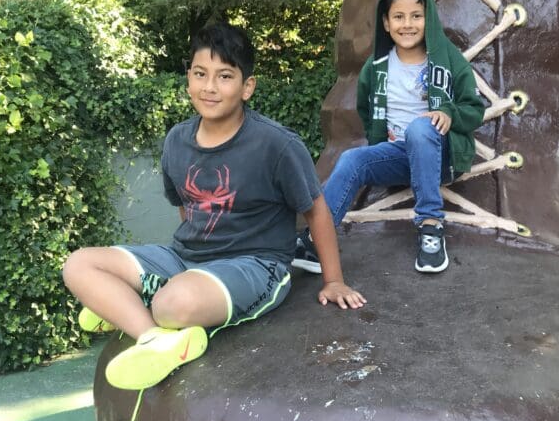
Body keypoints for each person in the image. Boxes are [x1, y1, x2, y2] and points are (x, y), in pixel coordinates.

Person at [64, 22, 365, 395]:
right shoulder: (177, 140)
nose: (209, 87)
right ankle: (152, 338)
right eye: (200, 74)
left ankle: (134, 303)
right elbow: (186, 208)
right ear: (188, 78)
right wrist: (186, 263)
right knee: (78, 264)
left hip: (256, 264)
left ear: (247, 86)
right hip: (185, 258)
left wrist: (332, 279)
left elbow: (316, 209)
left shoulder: (276, 145)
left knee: (172, 304)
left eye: (224, 76)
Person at [293, 0, 485, 274]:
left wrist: (449, 114)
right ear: (386, 23)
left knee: (419, 129)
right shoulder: (377, 67)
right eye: (398, 17)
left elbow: (474, 111)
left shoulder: (449, 59)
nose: (407, 24)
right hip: (399, 155)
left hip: (440, 155)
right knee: (352, 158)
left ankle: (431, 227)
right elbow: (365, 109)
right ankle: (317, 240)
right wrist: (378, 140)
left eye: (416, 16)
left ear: (428, 19)